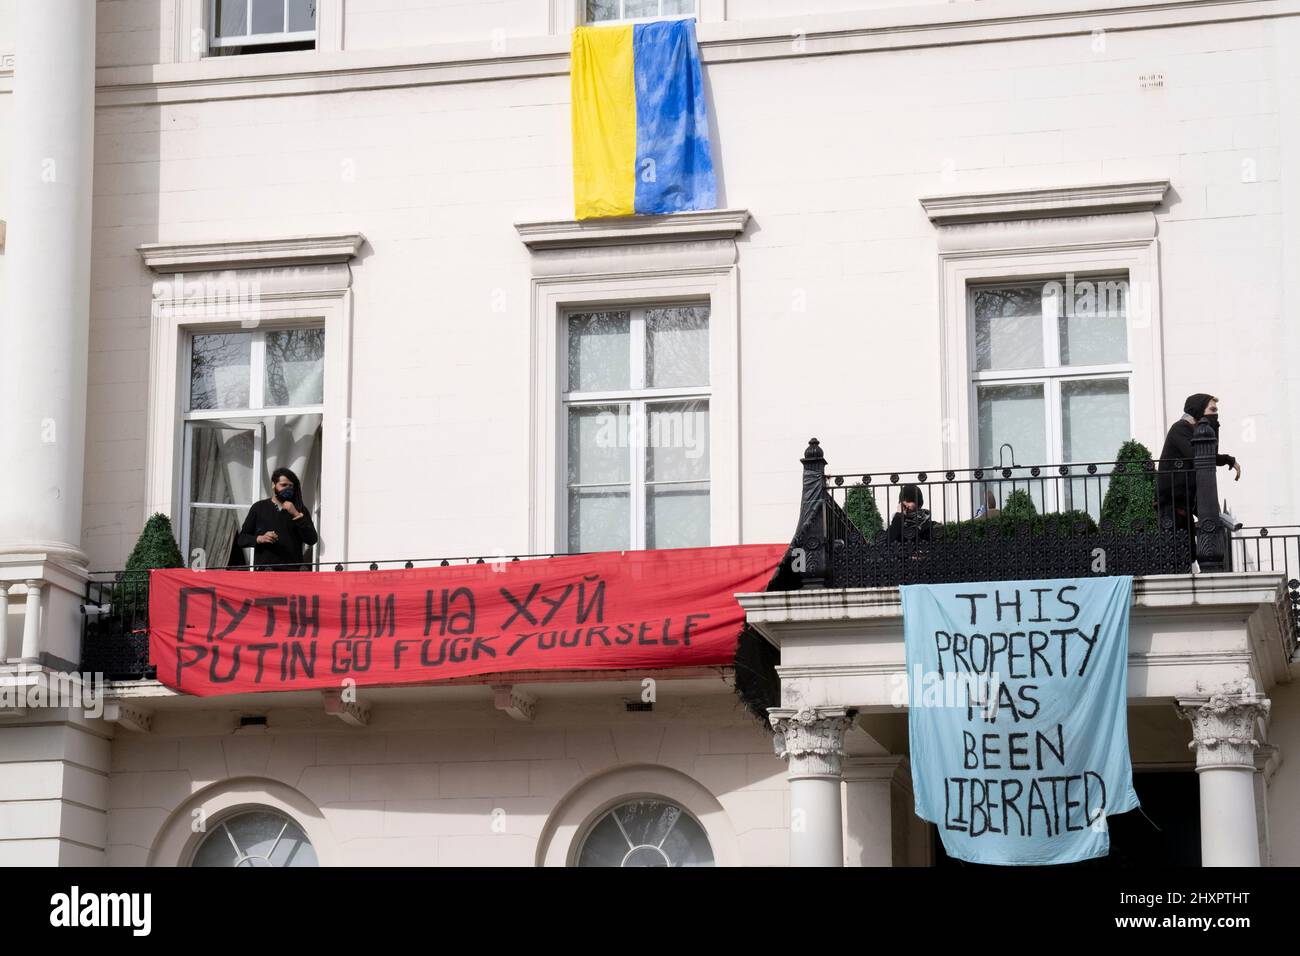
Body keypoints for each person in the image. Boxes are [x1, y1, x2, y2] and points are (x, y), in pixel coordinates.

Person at [1156, 393, 1241, 538]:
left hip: (1184, 503)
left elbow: (1207, 455)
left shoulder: (1191, 430)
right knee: (1178, 552)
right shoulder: (1180, 428)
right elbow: (1204, 457)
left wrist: (1229, 460)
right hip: (1171, 503)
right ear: (1199, 409)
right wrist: (1213, 426)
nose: (1216, 414)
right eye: (1212, 410)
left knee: (1189, 553)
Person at [236, 467, 318, 571]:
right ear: (273, 485)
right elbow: (242, 539)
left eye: (291, 486)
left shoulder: (299, 509)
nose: (287, 489)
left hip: (292, 572)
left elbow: (312, 539)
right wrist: (259, 539)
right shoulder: (259, 507)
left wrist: (296, 514)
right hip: (266, 572)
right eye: (283, 485)